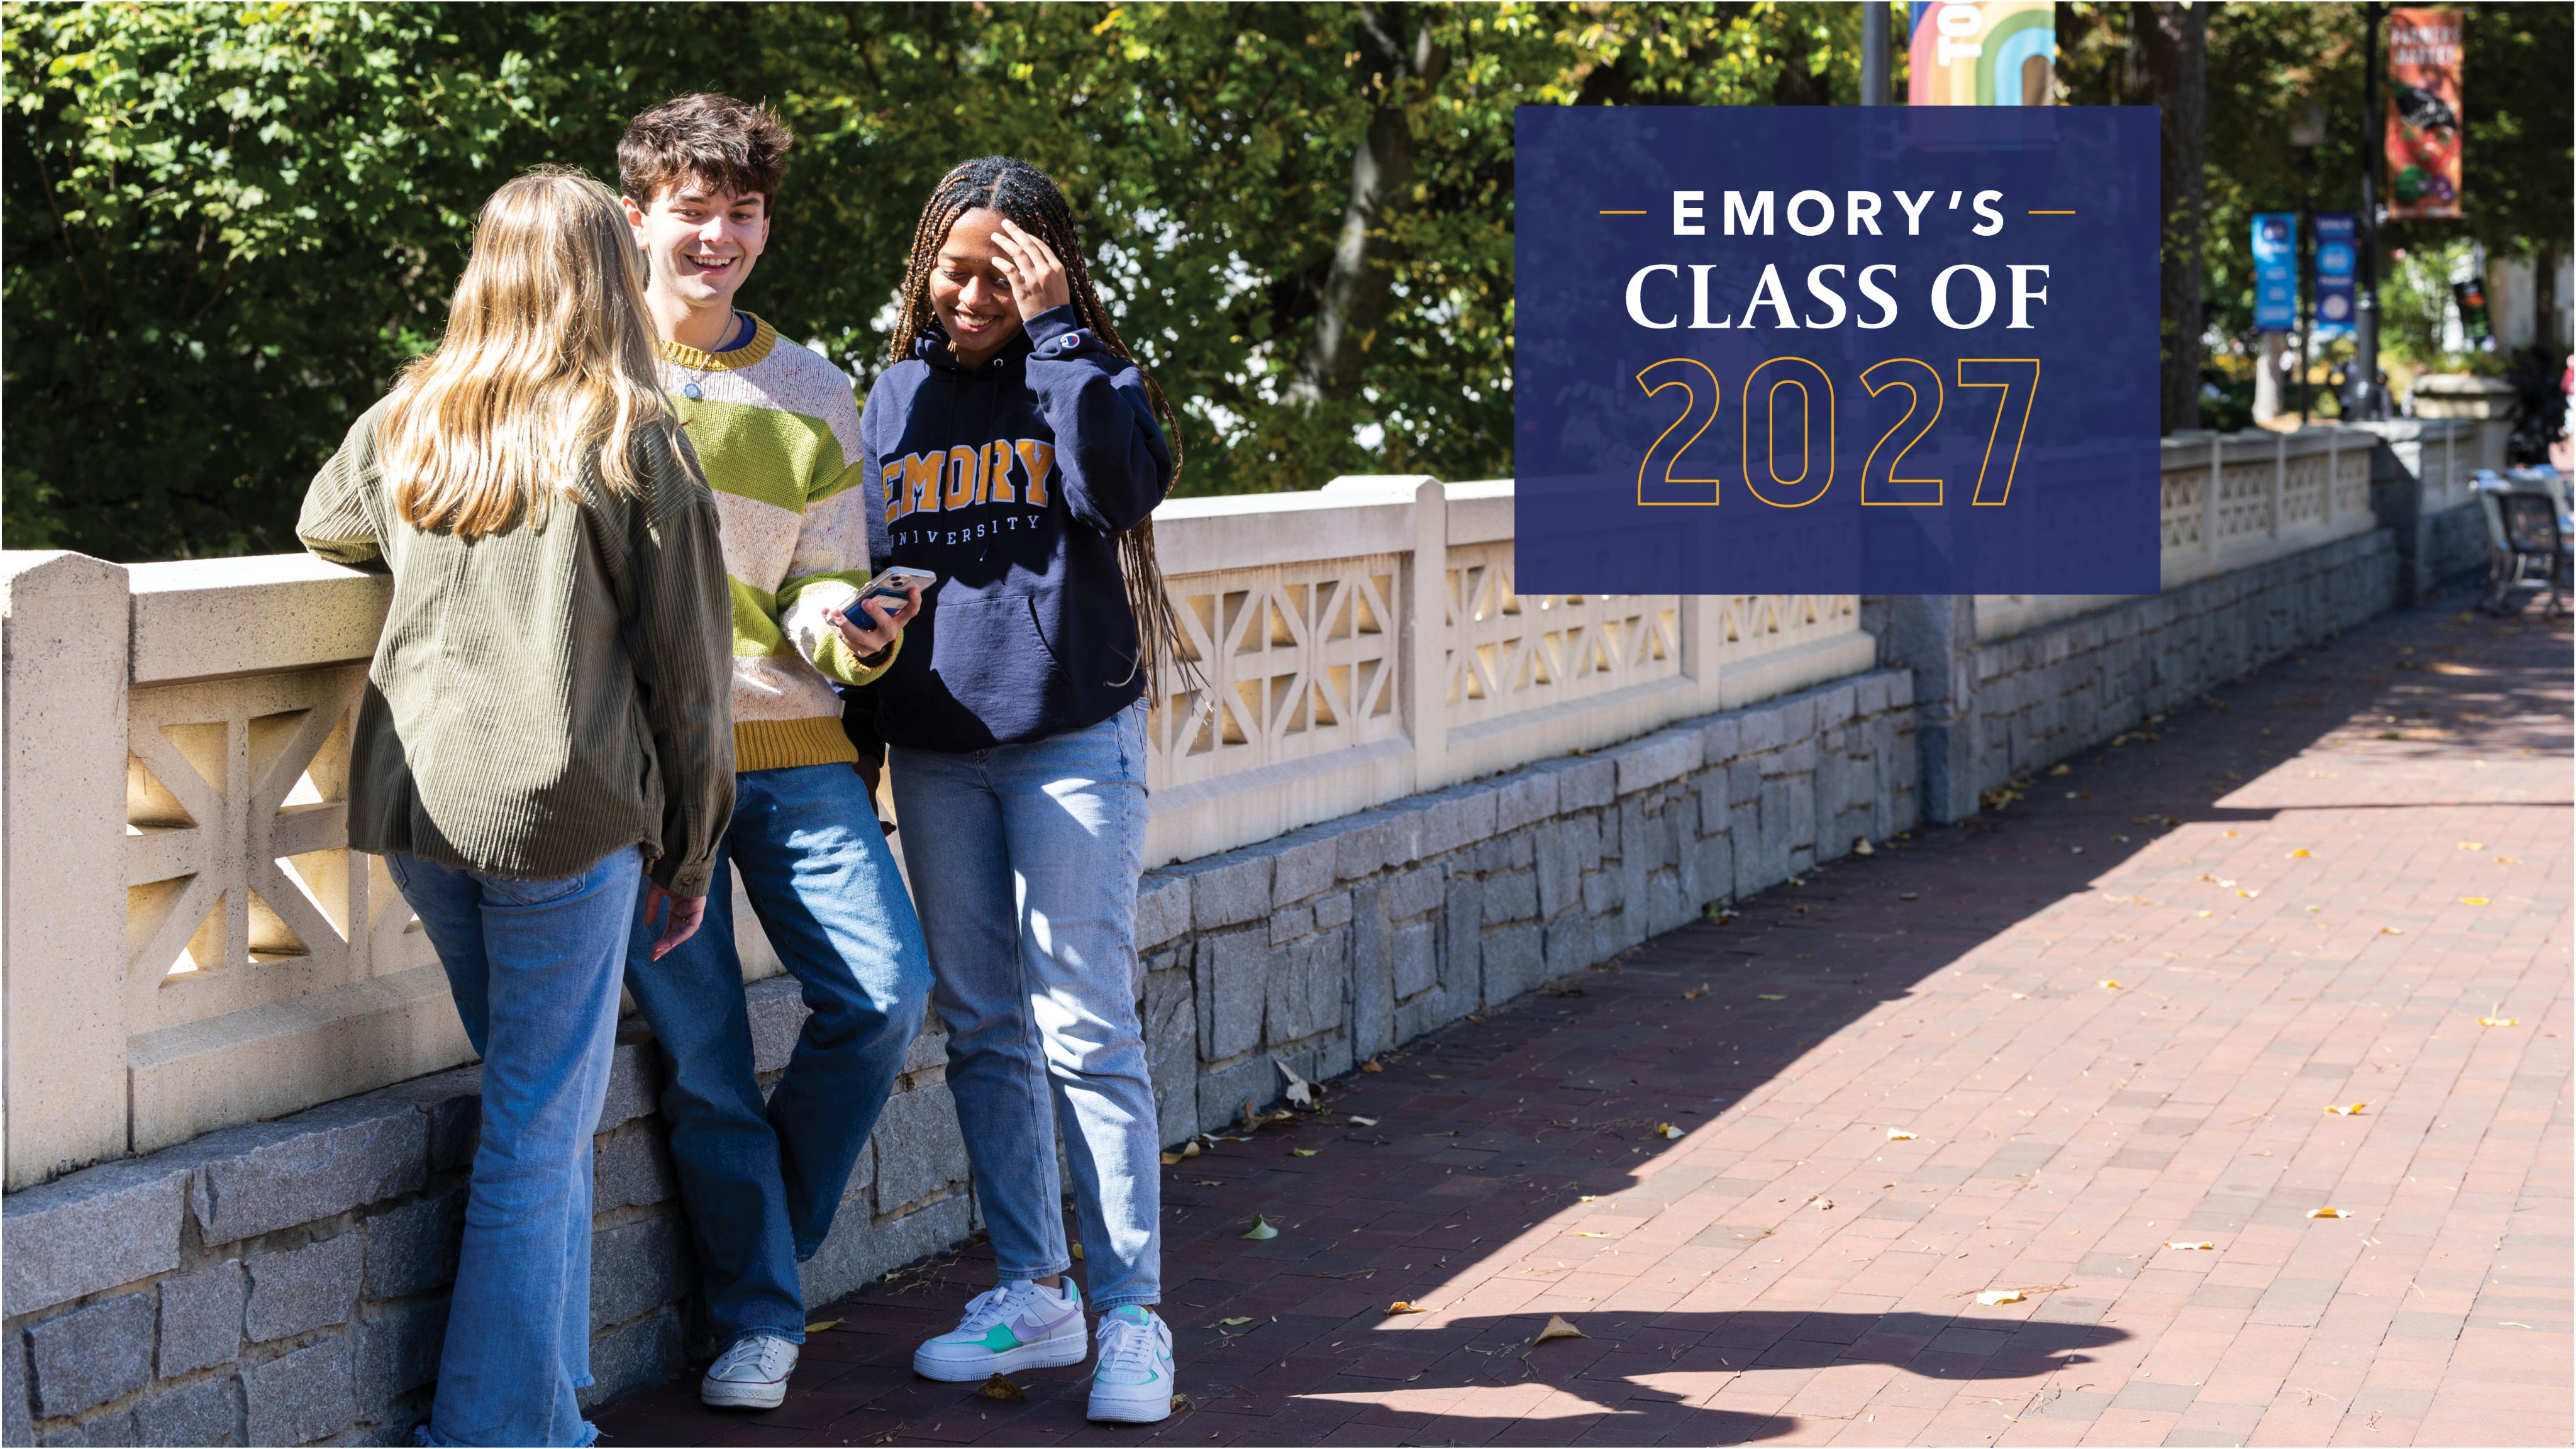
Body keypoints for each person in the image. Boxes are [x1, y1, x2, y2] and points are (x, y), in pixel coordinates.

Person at [297, 168, 735, 1447]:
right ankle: (489, 1433)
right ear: (610, 270)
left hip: (424, 807)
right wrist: (695, 848)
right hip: (561, 820)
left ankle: (547, 1414)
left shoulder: (415, 416)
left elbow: (328, 523)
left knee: (531, 1115)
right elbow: (691, 680)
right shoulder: (630, 432)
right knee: (538, 1134)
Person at [612, 92, 933, 1413]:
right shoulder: (580, 362)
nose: (721, 237)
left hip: (792, 745)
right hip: (634, 769)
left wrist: (855, 627)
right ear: (638, 216)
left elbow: (818, 590)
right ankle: (759, 1315)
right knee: (697, 1063)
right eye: (695, 210)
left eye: (742, 212)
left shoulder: (810, 388)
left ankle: (764, 1265)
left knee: (880, 993)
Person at [858, 156, 1185, 1426]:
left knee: (1086, 1029)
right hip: (936, 749)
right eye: (955, 267)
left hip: (1066, 743)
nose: (972, 292)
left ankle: (1134, 1317)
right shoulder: (889, 397)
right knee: (983, 1028)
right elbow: (863, 566)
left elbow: (1115, 494)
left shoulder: (1094, 376)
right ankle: (1032, 1291)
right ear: (923, 268)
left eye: (1004, 271)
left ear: (1046, 270)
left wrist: (1057, 342)